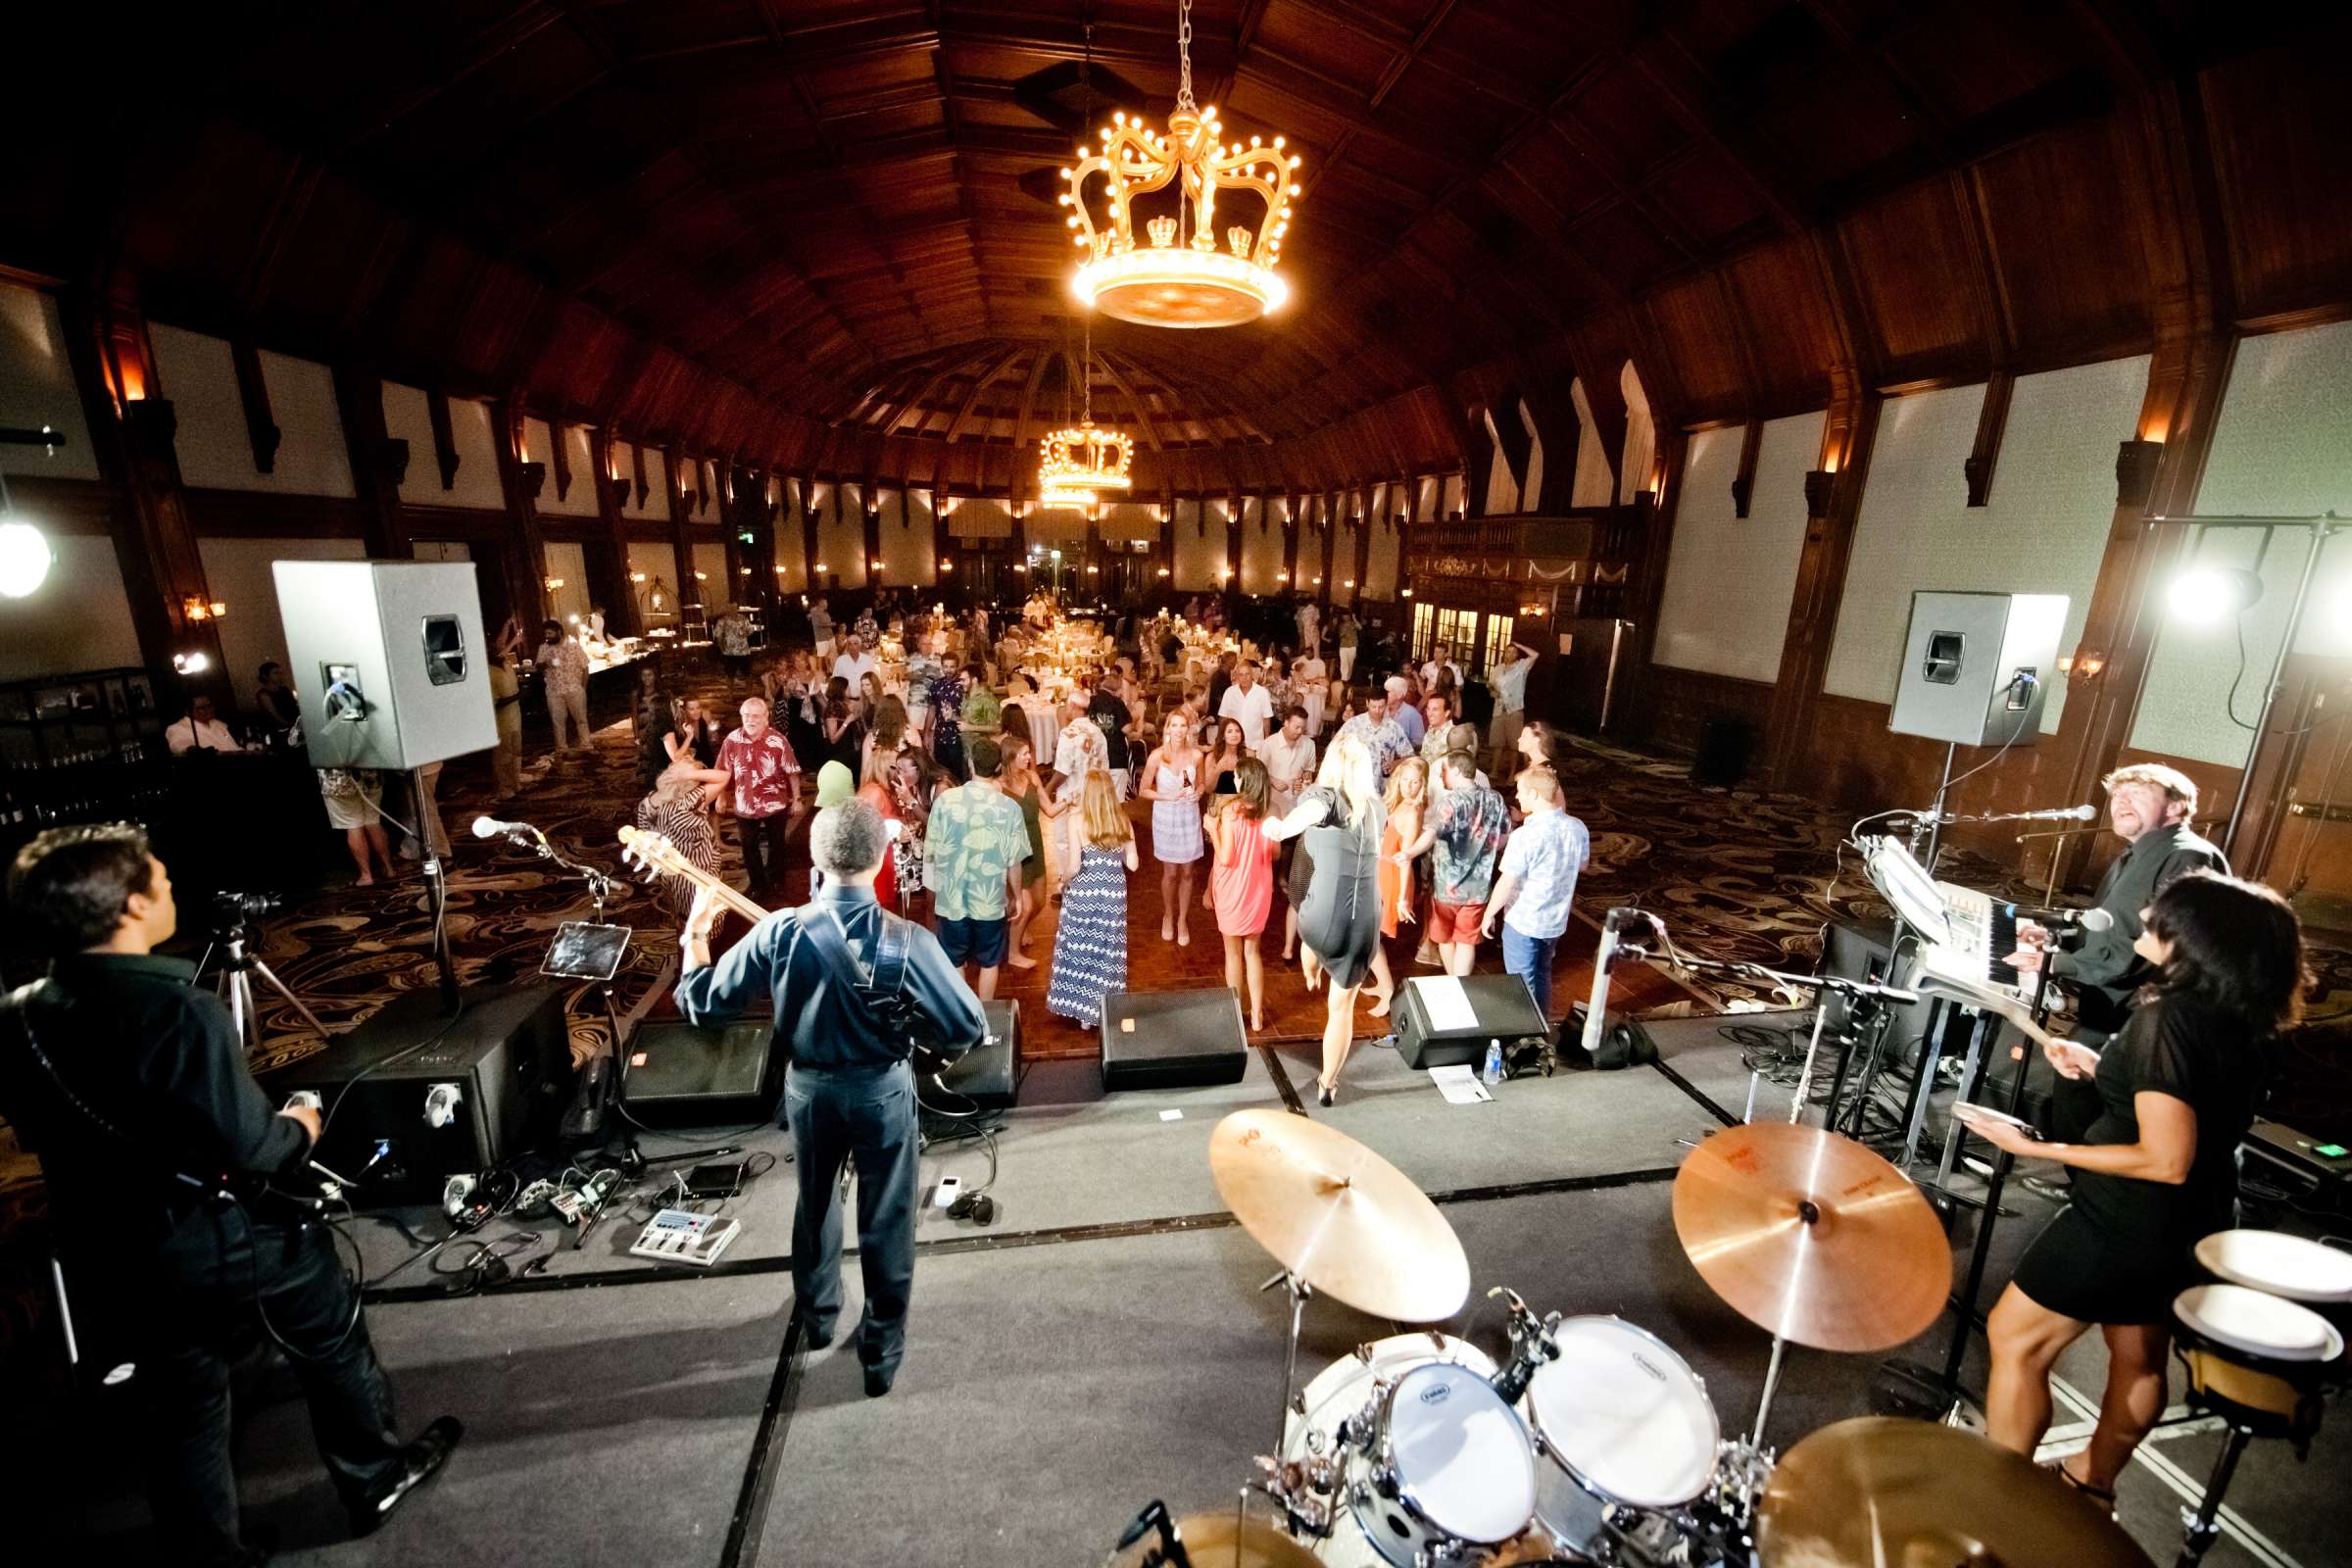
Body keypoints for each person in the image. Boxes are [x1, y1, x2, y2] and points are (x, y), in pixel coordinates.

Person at [0, 826, 461, 1564]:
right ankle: (374, 1477)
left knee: (182, 1403)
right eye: (158, 876)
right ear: (125, 907)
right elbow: (259, 1151)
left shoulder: (17, 1013)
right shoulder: (185, 1012)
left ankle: (210, 1551)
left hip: (109, 1246)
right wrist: (301, 1121)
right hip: (220, 1239)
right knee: (330, 1338)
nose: (171, 885)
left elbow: (35, 1128)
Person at [1975, 871, 2306, 1508]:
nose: (2147, 913)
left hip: (2127, 1221)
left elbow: (2165, 1156)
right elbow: (2190, 1108)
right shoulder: (2241, 1014)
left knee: (2015, 1336)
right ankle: (2091, 1483)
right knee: (2139, 1354)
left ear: (2194, 939)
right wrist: (2106, 1070)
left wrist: (2038, 1148)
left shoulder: (2168, 1020)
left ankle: (2001, 1502)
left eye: (2162, 912)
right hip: (2197, 1217)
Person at [676, 800, 986, 1398]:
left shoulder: (780, 929)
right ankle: (880, 1352)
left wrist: (694, 935)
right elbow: (966, 1027)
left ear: (816, 860)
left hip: (809, 1092)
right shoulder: (909, 941)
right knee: (887, 1216)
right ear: (881, 862)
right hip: (881, 1093)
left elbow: (703, 1004)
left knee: (814, 1201)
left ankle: (817, 1319)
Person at [2004, 764, 2230, 1150]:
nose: (2120, 801)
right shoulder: (2137, 855)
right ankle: (2086, 1182)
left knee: (2088, 1096)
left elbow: (2154, 943)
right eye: (2117, 795)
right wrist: (2058, 940)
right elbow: (2109, 926)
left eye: (2138, 792)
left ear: (2175, 808)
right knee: (2082, 1093)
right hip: (2114, 1004)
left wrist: (2057, 964)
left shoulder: (2186, 857)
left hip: (2142, 1013)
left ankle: (2093, 1186)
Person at [1264, 733, 1384, 1104]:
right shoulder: (1377, 808)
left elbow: (1311, 812)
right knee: (1342, 1009)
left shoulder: (1327, 797)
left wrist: (1282, 829)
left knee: (1309, 929)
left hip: (1322, 918)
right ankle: (1328, 1084)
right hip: (1365, 921)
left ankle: (1312, 968)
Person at [1482, 765, 1590, 1029]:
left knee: (1521, 982)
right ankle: (1539, 1023)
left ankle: (1527, 1033)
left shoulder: (1525, 836)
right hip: (1555, 919)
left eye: (1520, 792)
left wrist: (1488, 914)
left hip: (1524, 919)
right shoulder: (1577, 827)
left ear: (1534, 793)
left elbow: (1507, 881)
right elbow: (1582, 865)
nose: (1518, 797)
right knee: (1542, 974)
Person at [925, 735, 1029, 1001]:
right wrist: (1016, 896)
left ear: (971, 763)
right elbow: (1013, 861)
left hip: (952, 898)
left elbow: (932, 852)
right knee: (989, 961)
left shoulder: (945, 801)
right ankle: (986, 1014)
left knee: (955, 959)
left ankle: (964, 1012)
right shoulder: (1009, 808)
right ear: (997, 767)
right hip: (989, 900)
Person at [1048, 770, 1137, 1030]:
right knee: (1107, 951)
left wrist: (1062, 880)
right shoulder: (1122, 820)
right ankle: (1101, 1008)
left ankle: (1083, 1010)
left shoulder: (1077, 820)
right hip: (1113, 894)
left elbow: (1075, 865)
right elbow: (1133, 863)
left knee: (1081, 948)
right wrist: (1114, 853)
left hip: (1085, 893)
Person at [1417, 751, 1510, 976]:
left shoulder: (1449, 802)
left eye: (1444, 770)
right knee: (1467, 943)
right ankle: (1461, 984)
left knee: (1445, 939)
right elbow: (1506, 835)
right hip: (1478, 890)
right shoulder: (1495, 798)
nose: (1441, 775)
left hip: (1445, 888)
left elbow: (1431, 833)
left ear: (1457, 771)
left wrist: (1410, 852)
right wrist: (1484, 851)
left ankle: (1453, 982)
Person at [1209, 757, 1279, 1032]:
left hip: (1232, 887)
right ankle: (1258, 1015)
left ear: (1246, 780)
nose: (1235, 780)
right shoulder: (1271, 811)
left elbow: (1226, 857)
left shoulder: (1230, 811)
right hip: (1259, 887)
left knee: (1232, 954)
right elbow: (1275, 854)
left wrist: (1212, 830)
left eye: (1237, 776)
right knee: (1253, 952)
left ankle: (1236, 1013)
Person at [716, 697, 805, 906]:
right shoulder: (732, 740)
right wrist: (720, 797)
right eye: (746, 715)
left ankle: (776, 882)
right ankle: (758, 885)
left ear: (766, 718)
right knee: (748, 846)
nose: (750, 720)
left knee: (777, 845)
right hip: (745, 804)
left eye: (756, 715)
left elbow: (792, 772)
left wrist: (797, 799)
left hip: (775, 803)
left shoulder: (778, 740)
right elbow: (722, 772)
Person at [1139, 710, 1208, 947]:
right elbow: (1143, 790)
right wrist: (1167, 796)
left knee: (1187, 872)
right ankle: (1169, 915)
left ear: (1188, 730)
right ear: (1167, 728)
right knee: (1170, 872)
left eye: (1183, 726)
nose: (1178, 730)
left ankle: (1183, 920)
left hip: (1189, 817)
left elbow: (1201, 784)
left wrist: (1198, 794)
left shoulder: (1197, 755)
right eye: (1174, 725)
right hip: (1166, 817)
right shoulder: (1157, 757)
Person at [633, 754, 731, 917]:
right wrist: (688, 774)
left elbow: (645, 836)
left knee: (680, 914)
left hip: (669, 869)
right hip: (700, 868)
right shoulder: (689, 801)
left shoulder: (647, 803)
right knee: (703, 916)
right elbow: (724, 776)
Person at [1370, 757, 1428, 1016]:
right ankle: (1382, 986)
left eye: (1415, 782)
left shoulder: (1413, 811)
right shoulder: (1398, 802)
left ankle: (1387, 991)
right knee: (1370, 936)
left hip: (1392, 877)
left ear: (1422, 784)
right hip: (1381, 871)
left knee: (1370, 938)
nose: (1409, 786)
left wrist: (1403, 898)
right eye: (1405, 780)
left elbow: (1406, 858)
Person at [999, 735, 1058, 971]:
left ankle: (1015, 929)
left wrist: (1069, 801)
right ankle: (1013, 952)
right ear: (1010, 758)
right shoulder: (998, 786)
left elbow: (1050, 810)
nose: (1029, 757)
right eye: (1024, 754)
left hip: (1035, 844)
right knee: (1024, 904)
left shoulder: (1033, 777)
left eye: (1028, 753)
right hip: (1014, 848)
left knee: (1040, 902)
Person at [1052, 689, 1109, 888]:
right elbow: (1104, 767)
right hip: (1092, 794)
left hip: (1070, 795)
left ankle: (1066, 882)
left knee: (1064, 840)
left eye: (1068, 705)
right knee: (1088, 839)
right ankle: (1088, 879)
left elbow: (1062, 771)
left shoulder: (1068, 733)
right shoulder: (1098, 733)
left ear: (1074, 707)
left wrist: (1047, 788)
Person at [320, 766, 397, 886]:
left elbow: (295, 746)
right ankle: (389, 869)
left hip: (339, 781)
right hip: (370, 775)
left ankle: (366, 876)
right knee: (373, 821)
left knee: (353, 825)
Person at [535, 619, 591, 755]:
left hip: (574, 688)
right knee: (557, 721)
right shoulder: (543, 648)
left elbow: (585, 667)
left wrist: (582, 687)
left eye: (550, 633)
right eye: (545, 634)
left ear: (559, 632)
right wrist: (546, 664)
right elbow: (538, 666)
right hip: (554, 690)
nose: (547, 636)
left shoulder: (573, 646)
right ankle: (561, 747)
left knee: (581, 719)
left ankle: (586, 743)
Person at [1487, 638, 1538, 781]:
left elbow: (1535, 655)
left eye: (1514, 652)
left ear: (1517, 655)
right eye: (1508, 651)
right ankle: (1494, 771)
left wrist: (1519, 644)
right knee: (1497, 743)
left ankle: (1512, 774)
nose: (1510, 654)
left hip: (1514, 711)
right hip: (1498, 709)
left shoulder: (1521, 667)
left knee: (1514, 746)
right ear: (1504, 653)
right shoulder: (1497, 669)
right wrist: (1493, 693)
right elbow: (1491, 686)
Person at [1338, 686, 1414, 777]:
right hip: (1355, 782)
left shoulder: (1394, 728)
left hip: (1382, 785)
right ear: (1367, 703)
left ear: (1386, 704)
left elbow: (1410, 756)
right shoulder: (1353, 724)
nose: (1377, 711)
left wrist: (1395, 764)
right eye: (1373, 706)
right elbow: (1334, 748)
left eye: (1381, 707)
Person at [1088, 666, 1137, 800]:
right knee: (1117, 798)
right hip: (1115, 755)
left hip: (1096, 756)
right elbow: (1126, 729)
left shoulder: (1091, 701)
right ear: (1117, 688)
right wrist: (1134, 721)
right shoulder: (1117, 703)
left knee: (1100, 798)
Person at [486, 630, 524, 802]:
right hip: (500, 720)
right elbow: (493, 701)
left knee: (516, 751)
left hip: (515, 716)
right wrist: (514, 641)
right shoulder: (488, 670)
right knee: (502, 755)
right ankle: (503, 787)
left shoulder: (507, 665)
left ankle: (515, 782)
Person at [1219, 659, 1276, 748]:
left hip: (1255, 744)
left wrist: (1266, 741)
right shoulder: (1229, 692)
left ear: (1252, 675)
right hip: (1233, 743)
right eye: (1241, 675)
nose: (1244, 678)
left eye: (1247, 674)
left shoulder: (1262, 693)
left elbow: (1266, 720)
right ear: (1237, 676)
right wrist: (1220, 738)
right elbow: (1223, 717)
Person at [167, 695, 242, 755]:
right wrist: (193, 750)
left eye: (209, 706)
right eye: (202, 708)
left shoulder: (218, 724)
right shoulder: (177, 728)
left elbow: (234, 748)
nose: (209, 710)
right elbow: (178, 745)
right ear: (188, 711)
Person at [667, 696, 722, 771]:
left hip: (710, 761)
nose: (696, 712)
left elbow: (713, 739)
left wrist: (714, 731)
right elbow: (681, 755)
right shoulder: (681, 728)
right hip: (694, 766)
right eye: (691, 709)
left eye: (698, 708)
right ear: (684, 710)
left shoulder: (705, 717)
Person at [254, 662, 300, 749]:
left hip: (294, 728)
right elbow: (276, 717)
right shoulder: (263, 695)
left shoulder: (284, 689)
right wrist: (294, 727)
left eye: (281, 673)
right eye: (276, 673)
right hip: (281, 733)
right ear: (265, 676)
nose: (280, 675)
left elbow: (294, 707)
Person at [714, 605, 753, 679]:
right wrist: (722, 649)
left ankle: (748, 690)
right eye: (730, 608)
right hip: (729, 652)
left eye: (734, 608)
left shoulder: (743, 619)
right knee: (730, 675)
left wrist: (746, 633)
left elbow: (750, 630)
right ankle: (730, 691)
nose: (732, 610)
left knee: (747, 674)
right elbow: (719, 636)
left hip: (743, 651)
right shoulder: (722, 621)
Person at [1386, 675, 1425, 747]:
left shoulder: (1412, 714)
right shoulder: (1381, 709)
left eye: (1388, 692)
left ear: (1399, 695)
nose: (1384, 694)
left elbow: (1419, 743)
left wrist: (1401, 748)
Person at [808, 594, 835, 662]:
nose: (827, 604)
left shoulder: (826, 613)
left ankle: (829, 669)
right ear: (821, 603)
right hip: (821, 638)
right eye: (826, 602)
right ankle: (819, 669)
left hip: (829, 636)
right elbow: (818, 624)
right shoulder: (815, 612)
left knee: (829, 654)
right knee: (821, 655)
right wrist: (830, 624)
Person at [1337, 612, 1360, 684]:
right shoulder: (1341, 625)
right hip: (1343, 646)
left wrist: (1354, 619)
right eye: (1344, 616)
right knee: (1344, 663)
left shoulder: (1353, 623)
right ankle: (1344, 679)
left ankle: (1348, 678)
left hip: (1352, 646)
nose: (1346, 617)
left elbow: (1360, 627)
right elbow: (1340, 635)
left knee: (1350, 663)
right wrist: (1344, 631)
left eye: (1347, 616)